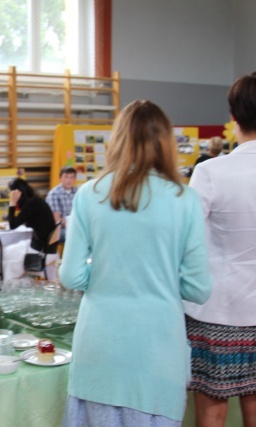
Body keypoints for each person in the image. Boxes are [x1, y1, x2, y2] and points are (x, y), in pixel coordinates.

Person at [58, 100, 212, 426]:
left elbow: (70, 275)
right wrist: (163, 278)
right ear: (166, 143)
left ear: (117, 140)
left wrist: (104, 276)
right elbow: (199, 289)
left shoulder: (89, 194)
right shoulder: (184, 200)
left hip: (98, 346)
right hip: (157, 351)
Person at [183, 73, 256, 427]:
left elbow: (186, 239)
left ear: (233, 117)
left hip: (217, 312)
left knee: (212, 411)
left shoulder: (211, 171)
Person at [7, 178, 56, 253]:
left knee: (9, 250)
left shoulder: (30, 204)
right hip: (47, 242)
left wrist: (12, 203)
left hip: (41, 244)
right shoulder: (35, 200)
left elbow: (12, 225)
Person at [45, 166, 77, 243]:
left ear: (75, 179)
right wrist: (72, 224)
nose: (69, 180)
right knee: (75, 236)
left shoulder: (78, 192)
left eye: (72, 177)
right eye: (66, 177)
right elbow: (57, 220)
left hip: (75, 225)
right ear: (60, 178)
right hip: (58, 228)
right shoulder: (54, 194)